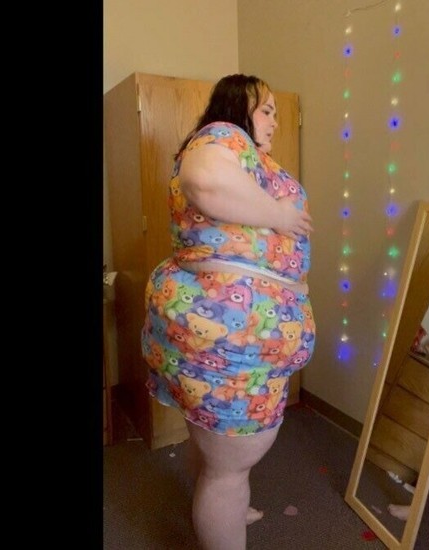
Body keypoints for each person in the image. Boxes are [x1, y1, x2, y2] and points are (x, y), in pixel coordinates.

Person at [140, 74, 316, 550]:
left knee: (219, 456)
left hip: (226, 342)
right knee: (229, 468)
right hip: (228, 347)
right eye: (266, 110)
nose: (274, 121)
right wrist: (281, 216)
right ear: (236, 107)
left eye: (277, 112)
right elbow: (205, 179)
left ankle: (225, 499)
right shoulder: (223, 135)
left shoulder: (246, 156)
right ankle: (224, 499)